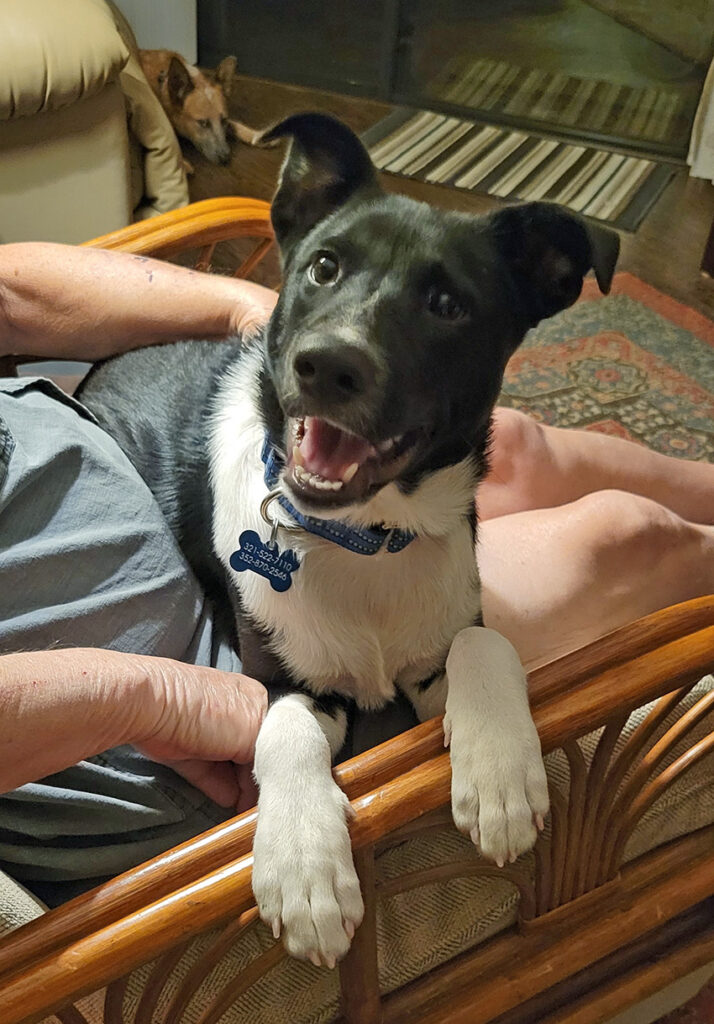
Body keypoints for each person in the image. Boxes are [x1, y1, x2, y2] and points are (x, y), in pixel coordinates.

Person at [0, 242, 712, 906]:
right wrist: (151, 699)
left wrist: (253, 318)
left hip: (125, 437)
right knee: (620, 539)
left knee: (512, 447)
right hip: (197, 692)